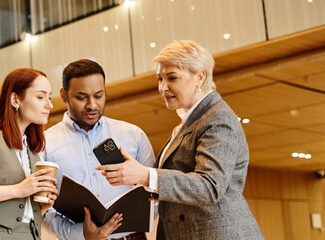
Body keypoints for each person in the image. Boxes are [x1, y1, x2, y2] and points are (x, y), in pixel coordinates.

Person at [96, 40, 263, 239]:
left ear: (199, 77)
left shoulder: (217, 118)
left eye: (172, 78)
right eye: (159, 79)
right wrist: (147, 187)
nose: (162, 87)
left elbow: (210, 187)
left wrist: (148, 176)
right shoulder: (189, 122)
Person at [42, 59, 155, 240]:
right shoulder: (45, 145)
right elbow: (43, 210)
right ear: (63, 95)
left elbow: (156, 191)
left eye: (98, 95)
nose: (92, 105)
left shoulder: (133, 135)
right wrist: (82, 234)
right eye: (81, 97)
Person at [0, 68, 59, 239]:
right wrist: (19, 190)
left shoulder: (33, 150)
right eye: (40, 97)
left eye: (49, 97)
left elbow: (25, 211)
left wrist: (41, 207)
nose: (49, 104)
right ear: (15, 99)